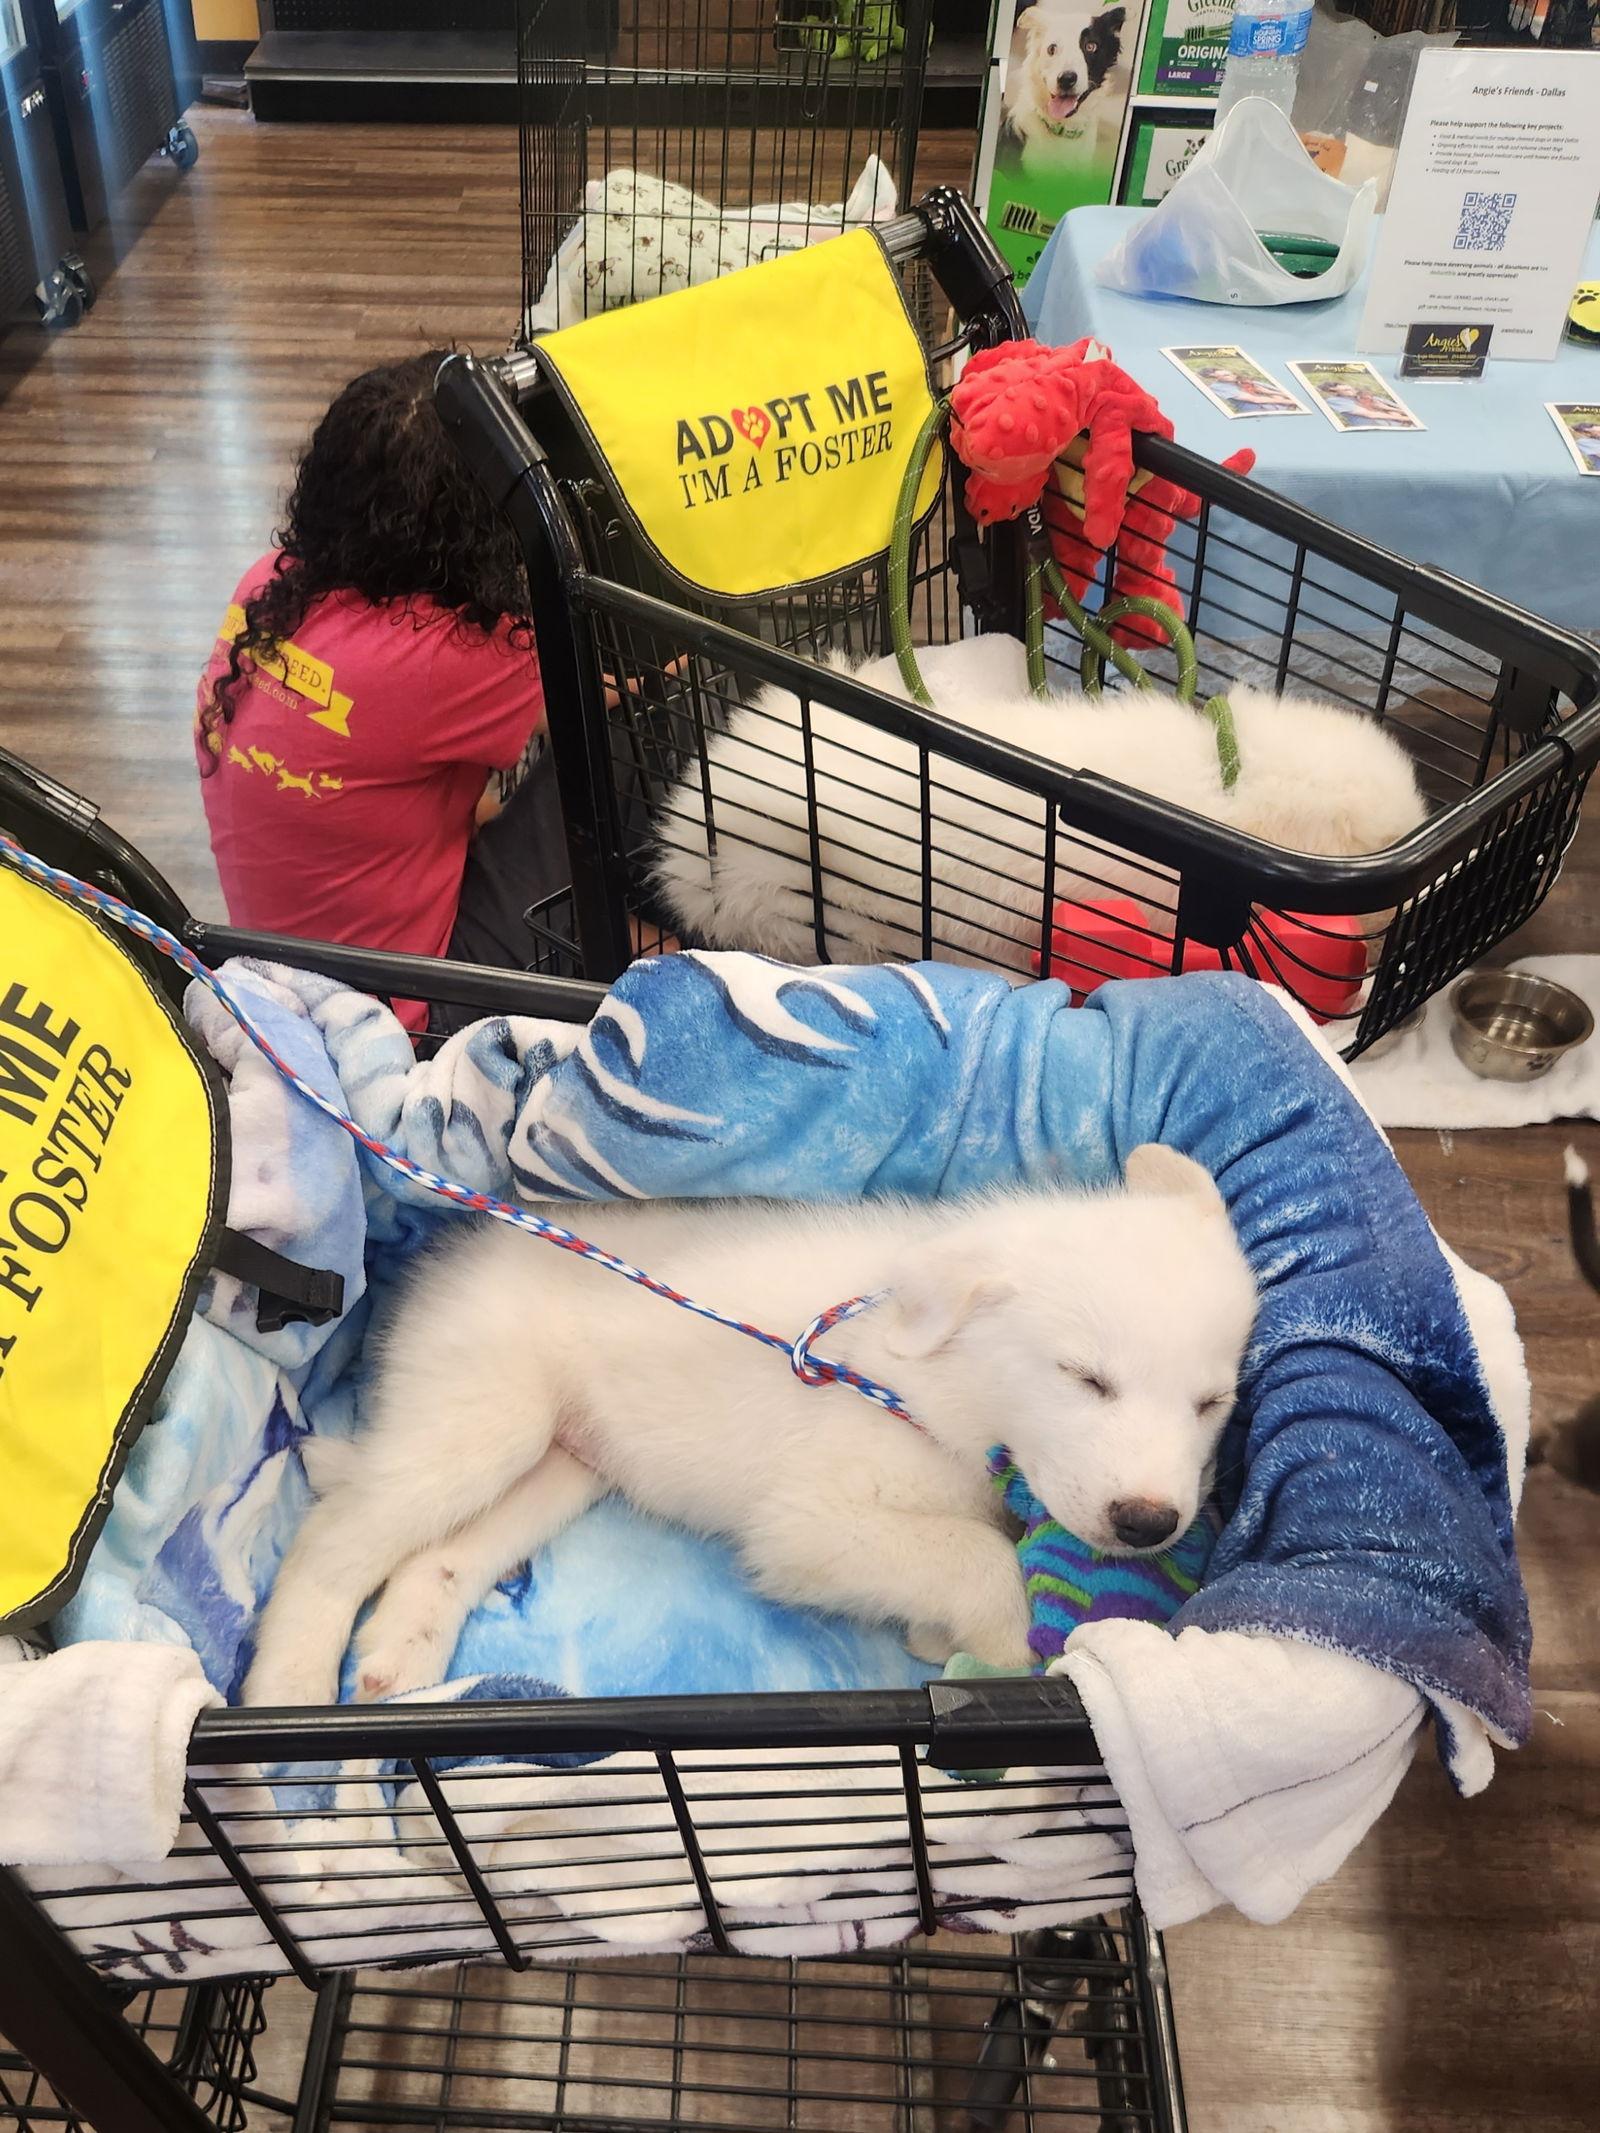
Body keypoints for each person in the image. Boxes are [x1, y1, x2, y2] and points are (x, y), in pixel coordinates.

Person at [195, 351, 563, 1031]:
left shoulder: (264, 584)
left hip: (280, 990)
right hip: (408, 1012)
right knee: (628, 738)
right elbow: (610, 692)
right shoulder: (462, 654)